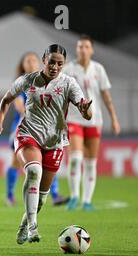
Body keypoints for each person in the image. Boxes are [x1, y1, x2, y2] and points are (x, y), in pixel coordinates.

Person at [0, 44, 92, 244]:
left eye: (60, 63)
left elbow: (86, 111)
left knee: (41, 198)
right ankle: (33, 226)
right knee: (33, 171)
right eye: (52, 62)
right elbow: (6, 100)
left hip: (55, 142)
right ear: (44, 59)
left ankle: (25, 224)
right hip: (28, 135)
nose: (55, 67)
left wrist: (86, 110)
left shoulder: (69, 83)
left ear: (64, 64)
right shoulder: (28, 80)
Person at [63, 35, 121, 211]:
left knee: (90, 162)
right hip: (74, 119)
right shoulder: (68, 69)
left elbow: (105, 96)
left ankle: (87, 201)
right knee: (75, 158)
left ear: (92, 50)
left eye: (86, 46)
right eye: (80, 46)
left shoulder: (98, 69)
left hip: (95, 120)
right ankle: (74, 197)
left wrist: (114, 118)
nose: (83, 49)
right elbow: (62, 98)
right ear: (77, 49)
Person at [5, 52, 69, 207]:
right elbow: (19, 106)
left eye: (34, 60)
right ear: (23, 65)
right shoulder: (20, 83)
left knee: (48, 160)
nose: (32, 62)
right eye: (28, 60)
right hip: (23, 128)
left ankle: (54, 195)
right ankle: (10, 195)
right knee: (15, 162)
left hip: (44, 129)